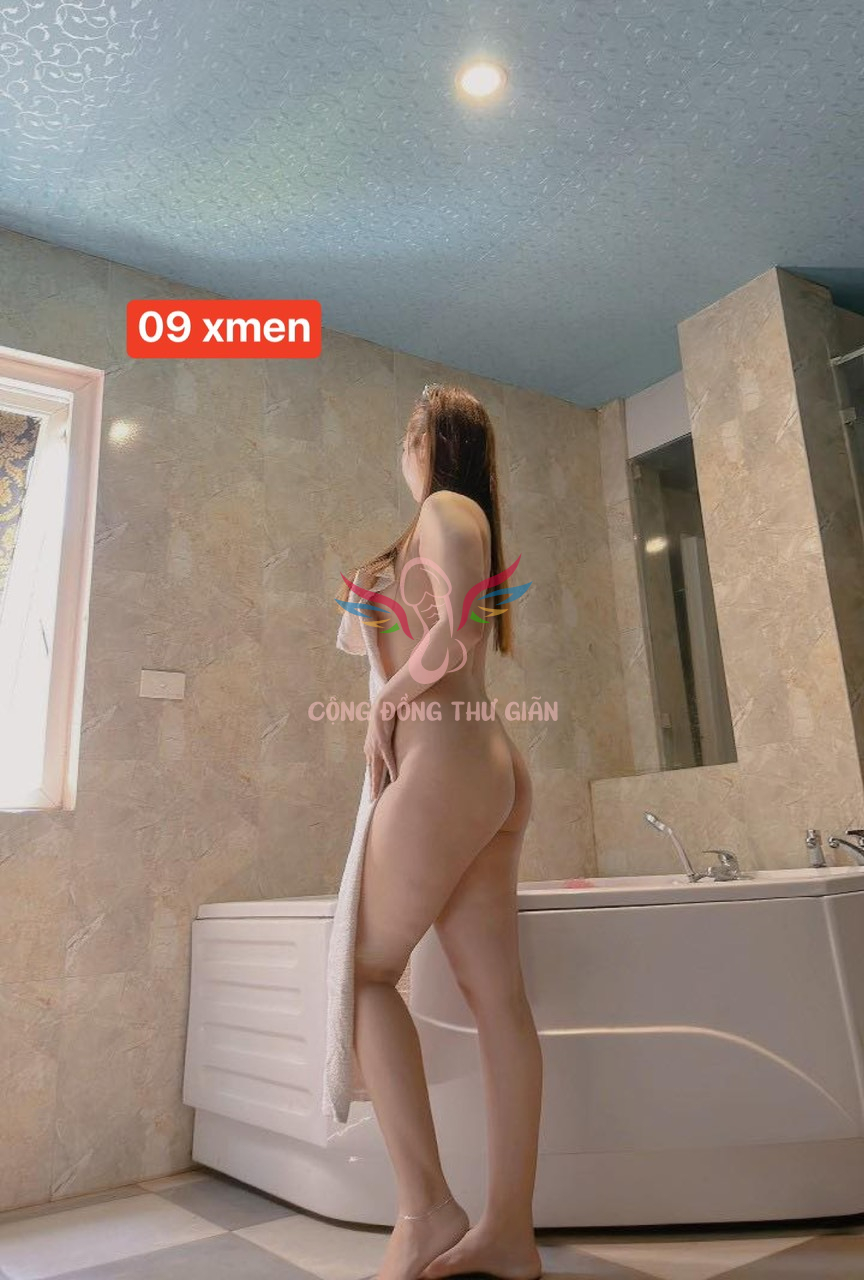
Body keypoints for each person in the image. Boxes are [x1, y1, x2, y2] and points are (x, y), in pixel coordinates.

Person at [336, 383, 543, 1280]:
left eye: (407, 435)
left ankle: (427, 1212)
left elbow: (451, 636)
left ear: (426, 441)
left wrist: (383, 700)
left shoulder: (446, 509)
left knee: (362, 976)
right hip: (480, 771)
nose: (402, 450)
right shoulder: (453, 522)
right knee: (498, 1001)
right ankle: (508, 1234)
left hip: (445, 771)